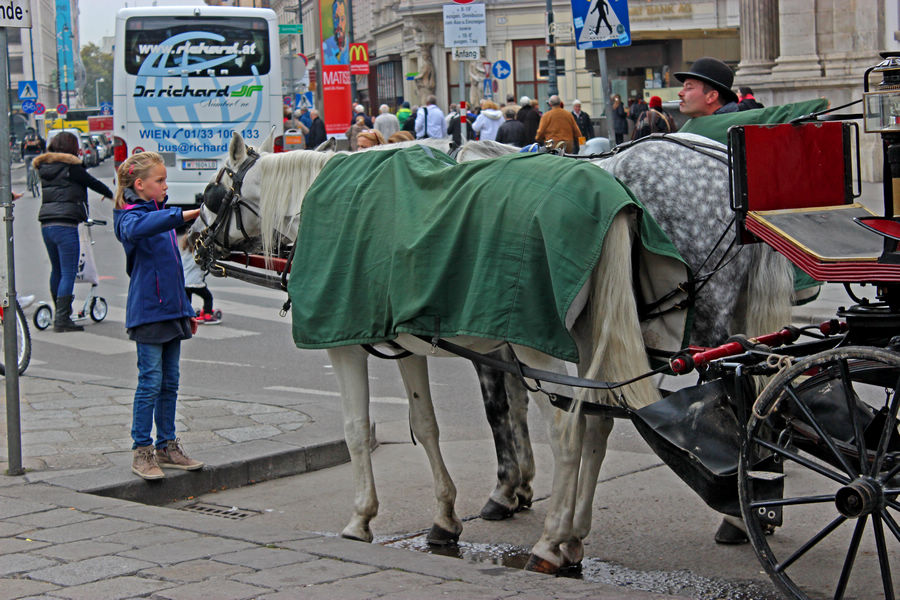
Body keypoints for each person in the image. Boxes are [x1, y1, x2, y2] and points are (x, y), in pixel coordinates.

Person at [113, 151, 204, 480]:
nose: (166, 186)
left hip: (171, 310)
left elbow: (173, 268)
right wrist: (188, 214)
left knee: (170, 383)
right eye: (160, 180)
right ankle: (142, 451)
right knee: (149, 382)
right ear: (140, 184)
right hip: (148, 313)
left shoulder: (159, 213)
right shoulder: (129, 217)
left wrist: (185, 308)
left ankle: (167, 446)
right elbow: (140, 228)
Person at [33, 131, 114, 332]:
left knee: (57, 270)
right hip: (66, 224)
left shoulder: (44, 166)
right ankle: (62, 320)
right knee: (68, 272)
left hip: (47, 224)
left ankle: (60, 313)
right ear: (72, 147)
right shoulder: (72, 167)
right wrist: (113, 194)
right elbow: (92, 183)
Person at [674, 57, 740, 118]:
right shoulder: (697, 126)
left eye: (689, 87)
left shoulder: (736, 128)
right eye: (683, 87)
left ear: (711, 96)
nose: (680, 93)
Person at [180, 234, 219, 324]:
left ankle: (188, 316)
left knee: (187, 301)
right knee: (208, 297)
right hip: (196, 283)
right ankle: (207, 314)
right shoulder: (200, 254)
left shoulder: (184, 254)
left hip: (185, 283)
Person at [322, 0, 348, 65]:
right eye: (336, 19)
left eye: (342, 19)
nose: (339, 25)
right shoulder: (326, 47)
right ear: (332, 19)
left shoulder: (350, 45)